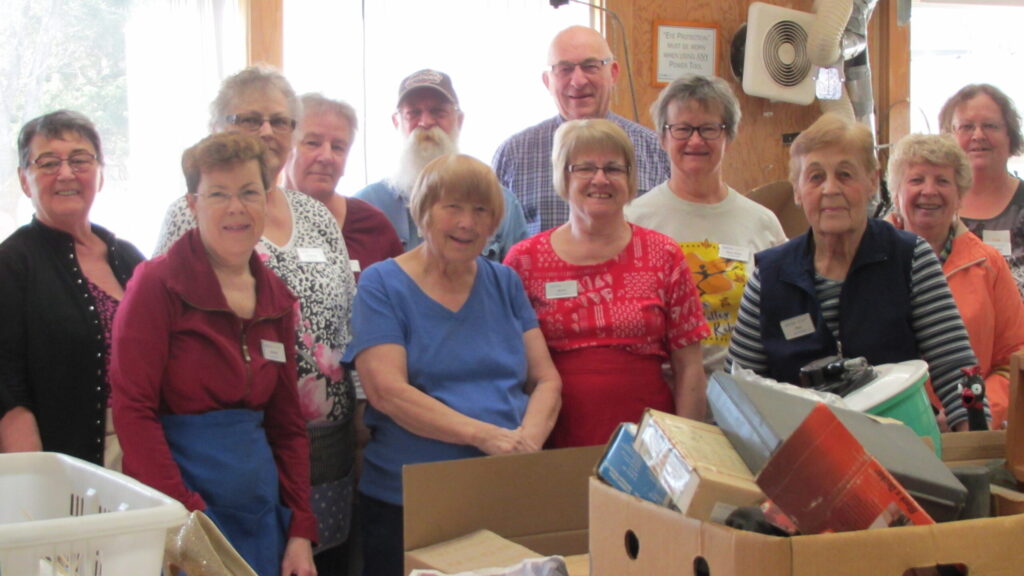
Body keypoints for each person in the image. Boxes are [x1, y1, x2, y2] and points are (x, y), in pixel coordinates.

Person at [154, 66, 356, 571]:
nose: (267, 131)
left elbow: (345, 319)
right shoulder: (192, 213)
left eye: (279, 121)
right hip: (238, 454)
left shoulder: (316, 216)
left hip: (327, 450)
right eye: (248, 119)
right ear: (217, 129)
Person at [345, 154, 561, 576]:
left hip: (502, 489)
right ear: (423, 211)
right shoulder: (381, 283)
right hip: (410, 498)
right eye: (453, 207)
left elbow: (546, 378)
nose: (468, 223)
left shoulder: (505, 282)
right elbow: (387, 392)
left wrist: (526, 444)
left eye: (481, 210)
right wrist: (488, 437)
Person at [111, 132, 316, 576]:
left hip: (259, 517)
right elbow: (133, 410)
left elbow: (286, 425)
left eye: (248, 193)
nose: (235, 208)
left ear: (267, 198)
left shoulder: (276, 298)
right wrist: (185, 520)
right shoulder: (156, 285)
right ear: (192, 205)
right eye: (218, 194)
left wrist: (300, 528)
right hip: (180, 512)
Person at [727, 114, 986, 432]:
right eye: (815, 177)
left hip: (904, 452)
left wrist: (975, 442)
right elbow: (737, 391)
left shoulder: (910, 259)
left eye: (845, 174)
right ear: (797, 190)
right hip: (802, 456)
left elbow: (956, 370)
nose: (830, 189)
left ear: (872, 181)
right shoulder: (769, 276)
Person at [504, 119, 709, 448]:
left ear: (629, 179)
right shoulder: (523, 261)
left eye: (613, 168)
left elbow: (689, 369)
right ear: (563, 177)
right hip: (551, 439)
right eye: (584, 167)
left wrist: (684, 450)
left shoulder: (664, 255)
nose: (600, 179)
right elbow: (507, 365)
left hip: (648, 441)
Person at [0, 110, 145, 468]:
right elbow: (6, 384)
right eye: (48, 163)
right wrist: (34, 478)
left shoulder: (127, 257)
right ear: (24, 180)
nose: (66, 173)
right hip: (67, 466)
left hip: (148, 450)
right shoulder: (12, 263)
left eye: (80, 160)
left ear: (100, 174)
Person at [625, 75, 786, 376]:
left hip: (744, 404)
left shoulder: (762, 222)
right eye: (683, 129)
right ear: (663, 137)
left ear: (729, 136)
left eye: (709, 129)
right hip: (661, 406)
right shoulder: (633, 220)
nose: (695, 140)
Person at [888, 133, 1024, 430]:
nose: (929, 191)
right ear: (895, 192)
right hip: (890, 433)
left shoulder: (989, 264)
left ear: (960, 195)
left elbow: (1013, 363)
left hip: (969, 434)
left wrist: (972, 412)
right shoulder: (866, 263)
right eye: (916, 180)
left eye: (943, 181)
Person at [493, 25, 670, 235]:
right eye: (564, 69)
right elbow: (493, 243)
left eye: (590, 66)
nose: (578, 81)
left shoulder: (656, 151)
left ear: (613, 73)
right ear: (547, 81)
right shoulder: (512, 155)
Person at [355, 69, 528, 262]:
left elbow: (516, 282)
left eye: (438, 112)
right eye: (413, 113)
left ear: (459, 120)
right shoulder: (366, 205)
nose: (426, 122)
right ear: (397, 122)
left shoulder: (503, 204)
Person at [285, 92, 403, 282]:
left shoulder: (373, 226)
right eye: (313, 143)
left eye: (338, 147)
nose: (326, 157)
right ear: (286, 147)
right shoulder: (261, 222)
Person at [939, 83, 1024, 296]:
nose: (978, 135)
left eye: (990, 126)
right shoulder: (929, 203)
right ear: (948, 137)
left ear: (1010, 136)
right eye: (966, 127)